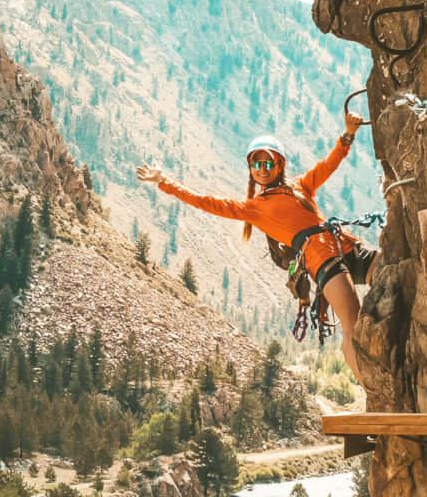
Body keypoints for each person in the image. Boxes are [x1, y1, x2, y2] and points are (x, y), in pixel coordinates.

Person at [135, 110, 371, 382]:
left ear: (279, 164)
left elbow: (328, 165)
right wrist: (165, 182)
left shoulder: (300, 186)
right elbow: (206, 201)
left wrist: (348, 135)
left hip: (344, 244)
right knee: (351, 320)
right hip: (321, 258)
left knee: (391, 269)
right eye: (255, 165)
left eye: (267, 164)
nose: (261, 169)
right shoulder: (253, 209)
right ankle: (370, 388)